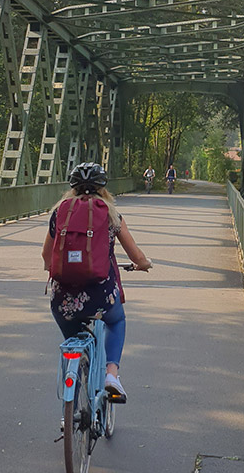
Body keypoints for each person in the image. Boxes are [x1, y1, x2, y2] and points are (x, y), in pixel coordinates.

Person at [42, 162, 152, 403]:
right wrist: (143, 264)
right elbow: (136, 256)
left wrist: (52, 267)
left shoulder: (60, 212)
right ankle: (111, 375)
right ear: (104, 188)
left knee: (73, 334)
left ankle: (74, 390)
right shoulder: (112, 214)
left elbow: (45, 256)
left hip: (63, 300)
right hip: (101, 295)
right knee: (117, 320)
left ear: (72, 189)